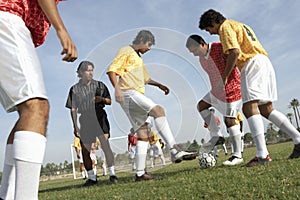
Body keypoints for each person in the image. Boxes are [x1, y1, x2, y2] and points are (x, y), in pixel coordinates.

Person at [199, 9, 300, 167]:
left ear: (213, 23)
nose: (210, 33)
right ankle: (298, 139)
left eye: (208, 29)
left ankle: (262, 155)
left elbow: (234, 52)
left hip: (251, 64)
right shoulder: (239, 24)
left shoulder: (225, 27)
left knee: (248, 108)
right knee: (266, 109)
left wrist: (224, 77)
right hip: (264, 61)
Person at [0, 0, 77, 199]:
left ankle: (6, 195)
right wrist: (61, 30)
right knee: (37, 107)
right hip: (6, 18)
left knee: (25, 113)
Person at [107, 30, 197, 181]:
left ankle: (140, 174)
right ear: (141, 40)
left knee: (142, 135)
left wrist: (159, 85)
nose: (149, 48)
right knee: (158, 110)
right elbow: (112, 71)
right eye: (148, 45)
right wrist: (117, 89)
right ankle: (174, 149)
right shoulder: (126, 50)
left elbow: (146, 79)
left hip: (134, 95)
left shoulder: (138, 58)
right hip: (128, 92)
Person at [186, 34, 243, 166]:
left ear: (201, 43)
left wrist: (225, 78)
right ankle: (216, 135)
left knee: (230, 120)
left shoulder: (219, 47)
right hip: (217, 92)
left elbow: (234, 55)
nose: (194, 54)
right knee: (201, 106)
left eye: (194, 50)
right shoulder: (202, 59)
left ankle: (237, 155)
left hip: (232, 88)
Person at [66, 61, 118, 186]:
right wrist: (75, 126)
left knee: (105, 146)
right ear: (80, 73)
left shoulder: (100, 85)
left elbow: (110, 101)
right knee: (85, 149)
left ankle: (112, 174)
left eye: (92, 70)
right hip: (85, 118)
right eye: (87, 70)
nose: (90, 73)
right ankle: (92, 178)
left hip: (99, 116)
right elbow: (72, 109)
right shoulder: (74, 89)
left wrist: (102, 99)